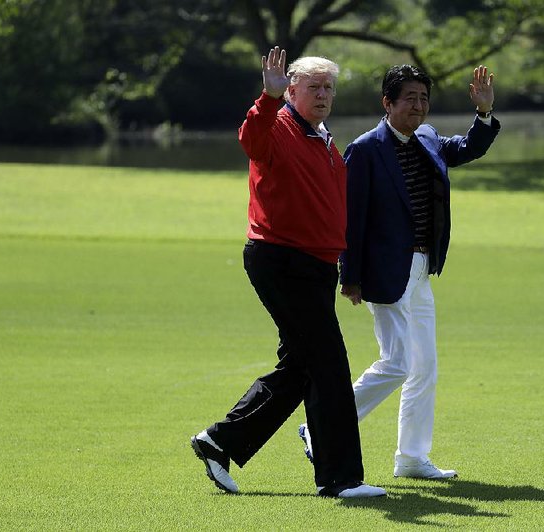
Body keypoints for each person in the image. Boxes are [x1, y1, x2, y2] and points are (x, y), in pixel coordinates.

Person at [190, 46, 385, 498]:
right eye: (313, 87)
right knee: (330, 364)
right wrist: (267, 98)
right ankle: (340, 479)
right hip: (282, 259)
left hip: (316, 265)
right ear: (292, 89)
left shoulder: (322, 137)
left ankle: (221, 440)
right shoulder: (276, 125)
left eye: (328, 87)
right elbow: (250, 139)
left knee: (302, 368)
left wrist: (346, 265)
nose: (322, 94)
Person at [299, 64, 500, 479]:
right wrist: (349, 275)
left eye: (424, 98)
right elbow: (351, 219)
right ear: (387, 103)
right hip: (384, 271)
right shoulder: (365, 149)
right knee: (398, 363)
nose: (419, 106)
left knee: (424, 366)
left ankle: (411, 457)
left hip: (422, 267)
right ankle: (319, 428)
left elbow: (467, 148)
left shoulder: (426, 138)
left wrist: (482, 114)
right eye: (409, 98)